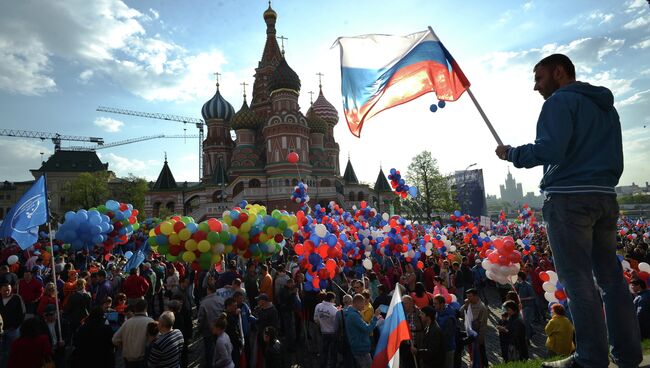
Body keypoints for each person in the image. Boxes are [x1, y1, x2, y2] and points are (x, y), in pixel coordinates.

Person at [496, 53, 642, 368]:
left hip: (568, 199)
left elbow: (550, 150)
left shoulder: (559, 102)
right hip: (604, 196)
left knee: (577, 281)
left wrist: (512, 154)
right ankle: (628, 354)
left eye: (539, 78)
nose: (536, 87)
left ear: (559, 72)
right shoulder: (606, 107)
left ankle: (590, 358)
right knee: (612, 280)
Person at [112, 299, 154, 368]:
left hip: (128, 360)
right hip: (143, 360)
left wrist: (125, 344)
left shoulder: (127, 322)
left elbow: (115, 340)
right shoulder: (150, 321)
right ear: (146, 308)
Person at [345, 294, 381, 368]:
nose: (364, 306)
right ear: (357, 303)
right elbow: (367, 329)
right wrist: (375, 317)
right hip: (361, 348)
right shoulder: (353, 316)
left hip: (359, 346)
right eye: (363, 303)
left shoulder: (352, 313)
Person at [459, 289, 488, 367]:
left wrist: (480, 340)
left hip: (477, 336)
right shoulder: (468, 304)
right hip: (469, 334)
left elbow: (483, 325)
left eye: (470, 296)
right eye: (467, 296)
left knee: (481, 355)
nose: (468, 298)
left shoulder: (482, 307)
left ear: (475, 296)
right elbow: (460, 314)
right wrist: (465, 305)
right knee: (472, 353)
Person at [0, 282, 24, 368]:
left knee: (14, 350)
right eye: (5, 290)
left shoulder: (16, 298)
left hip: (13, 330)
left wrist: (16, 326)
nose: (7, 292)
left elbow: (22, 313)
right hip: (1, 331)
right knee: (2, 352)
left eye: (8, 290)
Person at [198, 283, 221, 368]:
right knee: (218, 345)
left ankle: (209, 364)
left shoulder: (204, 302)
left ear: (209, 290)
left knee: (208, 348)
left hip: (208, 329)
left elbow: (201, 318)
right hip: (219, 328)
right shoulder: (221, 299)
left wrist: (199, 329)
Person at [314, 291, 339, 368]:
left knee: (324, 351)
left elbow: (315, 319)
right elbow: (337, 323)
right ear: (332, 299)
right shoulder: (334, 310)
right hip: (332, 333)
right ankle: (332, 366)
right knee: (333, 352)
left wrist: (322, 325)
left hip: (323, 331)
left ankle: (323, 365)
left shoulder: (318, 306)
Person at [42, 304, 71, 368]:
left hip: (60, 351)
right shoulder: (42, 325)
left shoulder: (63, 323)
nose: (49, 317)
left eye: (51, 314)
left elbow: (68, 336)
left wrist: (64, 342)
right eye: (47, 315)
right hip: (49, 352)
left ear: (56, 313)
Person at [432, 294, 457, 368]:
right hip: (440, 347)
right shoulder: (438, 312)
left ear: (442, 304)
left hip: (447, 348)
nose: (434, 305)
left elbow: (447, 335)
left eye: (435, 303)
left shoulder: (449, 318)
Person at [514, 271, 536, 341]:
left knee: (525, 321)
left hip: (528, 306)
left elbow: (533, 296)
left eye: (517, 277)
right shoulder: (518, 284)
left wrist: (523, 299)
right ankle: (532, 332)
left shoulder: (528, 285)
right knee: (525, 321)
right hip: (522, 306)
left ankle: (527, 337)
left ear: (520, 277)